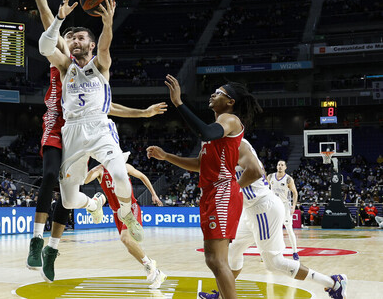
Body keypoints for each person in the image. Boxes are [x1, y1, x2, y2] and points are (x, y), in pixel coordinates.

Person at [19, 0, 167, 282]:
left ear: (90, 40)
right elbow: (47, 26)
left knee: (117, 169)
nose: (74, 39)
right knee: (69, 200)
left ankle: (127, 214)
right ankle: (92, 203)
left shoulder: (99, 66)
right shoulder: (63, 64)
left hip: (98, 128)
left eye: (80, 35)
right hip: (70, 130)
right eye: (71, 37)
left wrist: (110, 23)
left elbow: (104, 49)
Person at [147, 78, 263, 299]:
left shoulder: (230, 120)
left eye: (218, 92)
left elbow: (206, 133)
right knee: (213, 259)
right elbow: (200, 165)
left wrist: (179, 103)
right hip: (211, 192)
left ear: (230, 101)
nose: (212, 95)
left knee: (217, 261)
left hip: (222, 192)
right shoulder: (216, 131)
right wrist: (166, 156)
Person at [195, 138, 348, 299]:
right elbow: (201, 164)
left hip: (262, 209)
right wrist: (167, 156)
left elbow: (252, 172)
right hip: (251, 210)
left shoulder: (237, 146)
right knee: (233, 251)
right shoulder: (227, 147)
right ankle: (222, 295)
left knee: (274, 263)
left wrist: (231, 191)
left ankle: (334, 283)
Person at [84, 161, 167, 287]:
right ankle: (156, 272)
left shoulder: (124, 166)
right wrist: (85, 161)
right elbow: (85, 181)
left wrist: (154, 194)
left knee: (125, 238)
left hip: (130, 207)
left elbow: (142, 177)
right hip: (117, 213)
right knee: (129, 247)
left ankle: (149, 264)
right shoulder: (100, 170)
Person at [267, 160, 300, 259]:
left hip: (284, 206)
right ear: (276, 166)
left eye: (282, 165)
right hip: (273, 205)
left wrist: (293, 206)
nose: (280, 166)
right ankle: (269, 252)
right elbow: (264, 187)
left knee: (289, 229)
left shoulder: (288, 179)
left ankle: (295, 252)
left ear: (285, 167)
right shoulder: (270, 177)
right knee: (272, 230)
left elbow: (295, 193)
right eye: (278, 164)